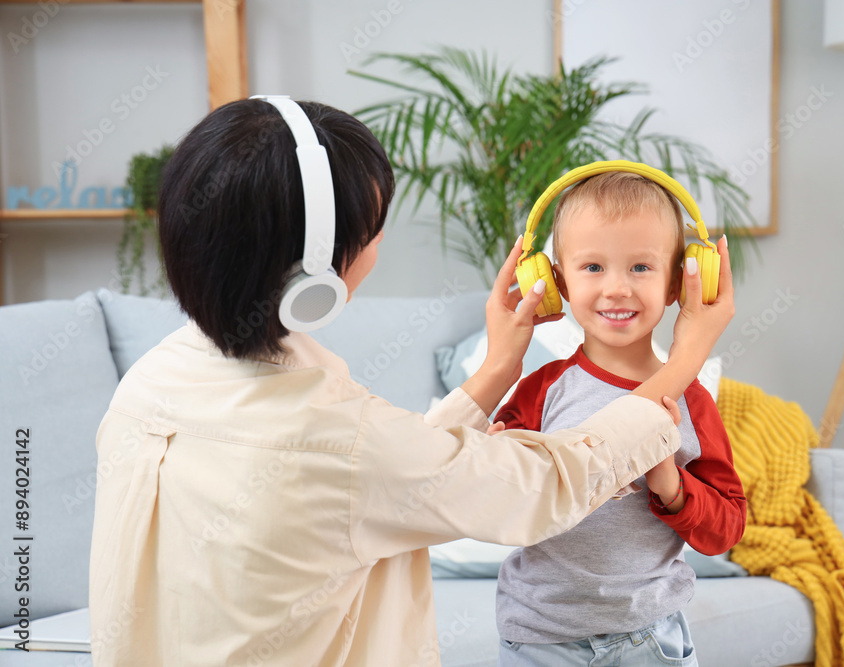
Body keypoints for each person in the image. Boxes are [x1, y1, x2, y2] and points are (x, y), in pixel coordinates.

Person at [88, 99, 734, 667]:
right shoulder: (334, 438)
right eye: (370, 229)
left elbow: (397, 478)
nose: (380, 241)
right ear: (312, 279)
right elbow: (532, 486)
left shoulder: (152, 383)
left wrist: (493, 373)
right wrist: (685, 360)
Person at [493, 171, 747, 666]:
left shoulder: (691, 401)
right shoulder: (542, 390)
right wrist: (492, 450)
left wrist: (672, 488)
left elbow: (726, 529)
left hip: (648, 637)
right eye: (592, 266)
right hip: (540, 637)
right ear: (555, 283)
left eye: (640, 267)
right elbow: (499, 498)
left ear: (679, 280)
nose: (616, 288)